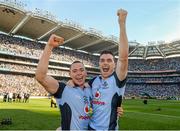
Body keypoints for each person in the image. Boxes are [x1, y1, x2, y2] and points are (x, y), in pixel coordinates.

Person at [35, 34, 92, 130]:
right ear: (69, 74)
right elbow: (41, 77)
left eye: (81, 70)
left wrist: (117, 109)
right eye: (74, 71)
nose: (78, 73)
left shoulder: (91, 90)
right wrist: (49, 46)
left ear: (86, 73)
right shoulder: (63, 89)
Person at [88, 9, 129, 130]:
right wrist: (71, 82)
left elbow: (123, 57)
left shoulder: (118, 80)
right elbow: (80, 94)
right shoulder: (93, 82)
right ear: (99, 64)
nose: (105, 63)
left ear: (114, 64)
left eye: (109, 60)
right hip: (90, 127)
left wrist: (122, 23)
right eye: (102, 60)